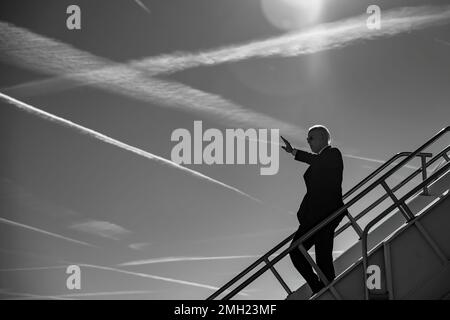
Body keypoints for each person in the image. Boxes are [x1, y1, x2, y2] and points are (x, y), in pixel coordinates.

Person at [281, 125, 347, 296]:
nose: (308, 141)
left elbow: (317, 162)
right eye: (307, 139)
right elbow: (313, 191)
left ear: (323, 138)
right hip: (315, 216)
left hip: (326, 214)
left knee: (307, 252)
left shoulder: (333, 154)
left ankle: (322, 289)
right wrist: (302, 213)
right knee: (311, 253)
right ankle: (322, 287)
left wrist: (295, 152)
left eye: (311, 138)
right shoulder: (321, 160)